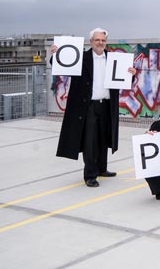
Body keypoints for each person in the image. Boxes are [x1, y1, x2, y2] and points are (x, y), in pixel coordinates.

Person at [50, 28, 137, 187]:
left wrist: (132, 73)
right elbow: (62, 66)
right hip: (88, 105)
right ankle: (90, 174)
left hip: (107, 104)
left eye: (103, 40)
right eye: (97, 40)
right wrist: (55, 56)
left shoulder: (113, 58)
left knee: (104, 137)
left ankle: (102, 168)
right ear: (91, 42)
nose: (100, 43)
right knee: (90, 140)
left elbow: (125, 79)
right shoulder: (82, 58)